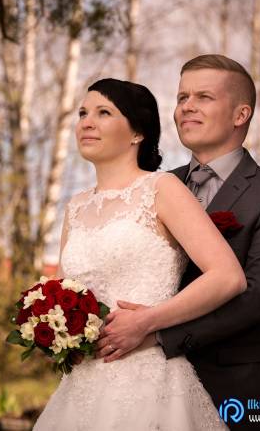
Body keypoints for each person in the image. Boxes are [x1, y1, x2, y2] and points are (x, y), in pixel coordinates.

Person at [95, 55, 260, 430]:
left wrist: (154, 333)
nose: (187, 107)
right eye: (182, 97)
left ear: (241, 114)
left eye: (203, 97)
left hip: (237, 388)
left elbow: (257, 298)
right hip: (145, 385)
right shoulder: (151, 187)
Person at [33, 77, 246, 430]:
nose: (87, 122)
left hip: (149, 381)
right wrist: (54, 331)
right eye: (83, 113)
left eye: (104, 113)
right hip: (82, 385)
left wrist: (148, 321)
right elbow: (65, 293)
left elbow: (228, 276)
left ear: (137, 133)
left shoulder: (162, 188)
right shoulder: (75, 207)